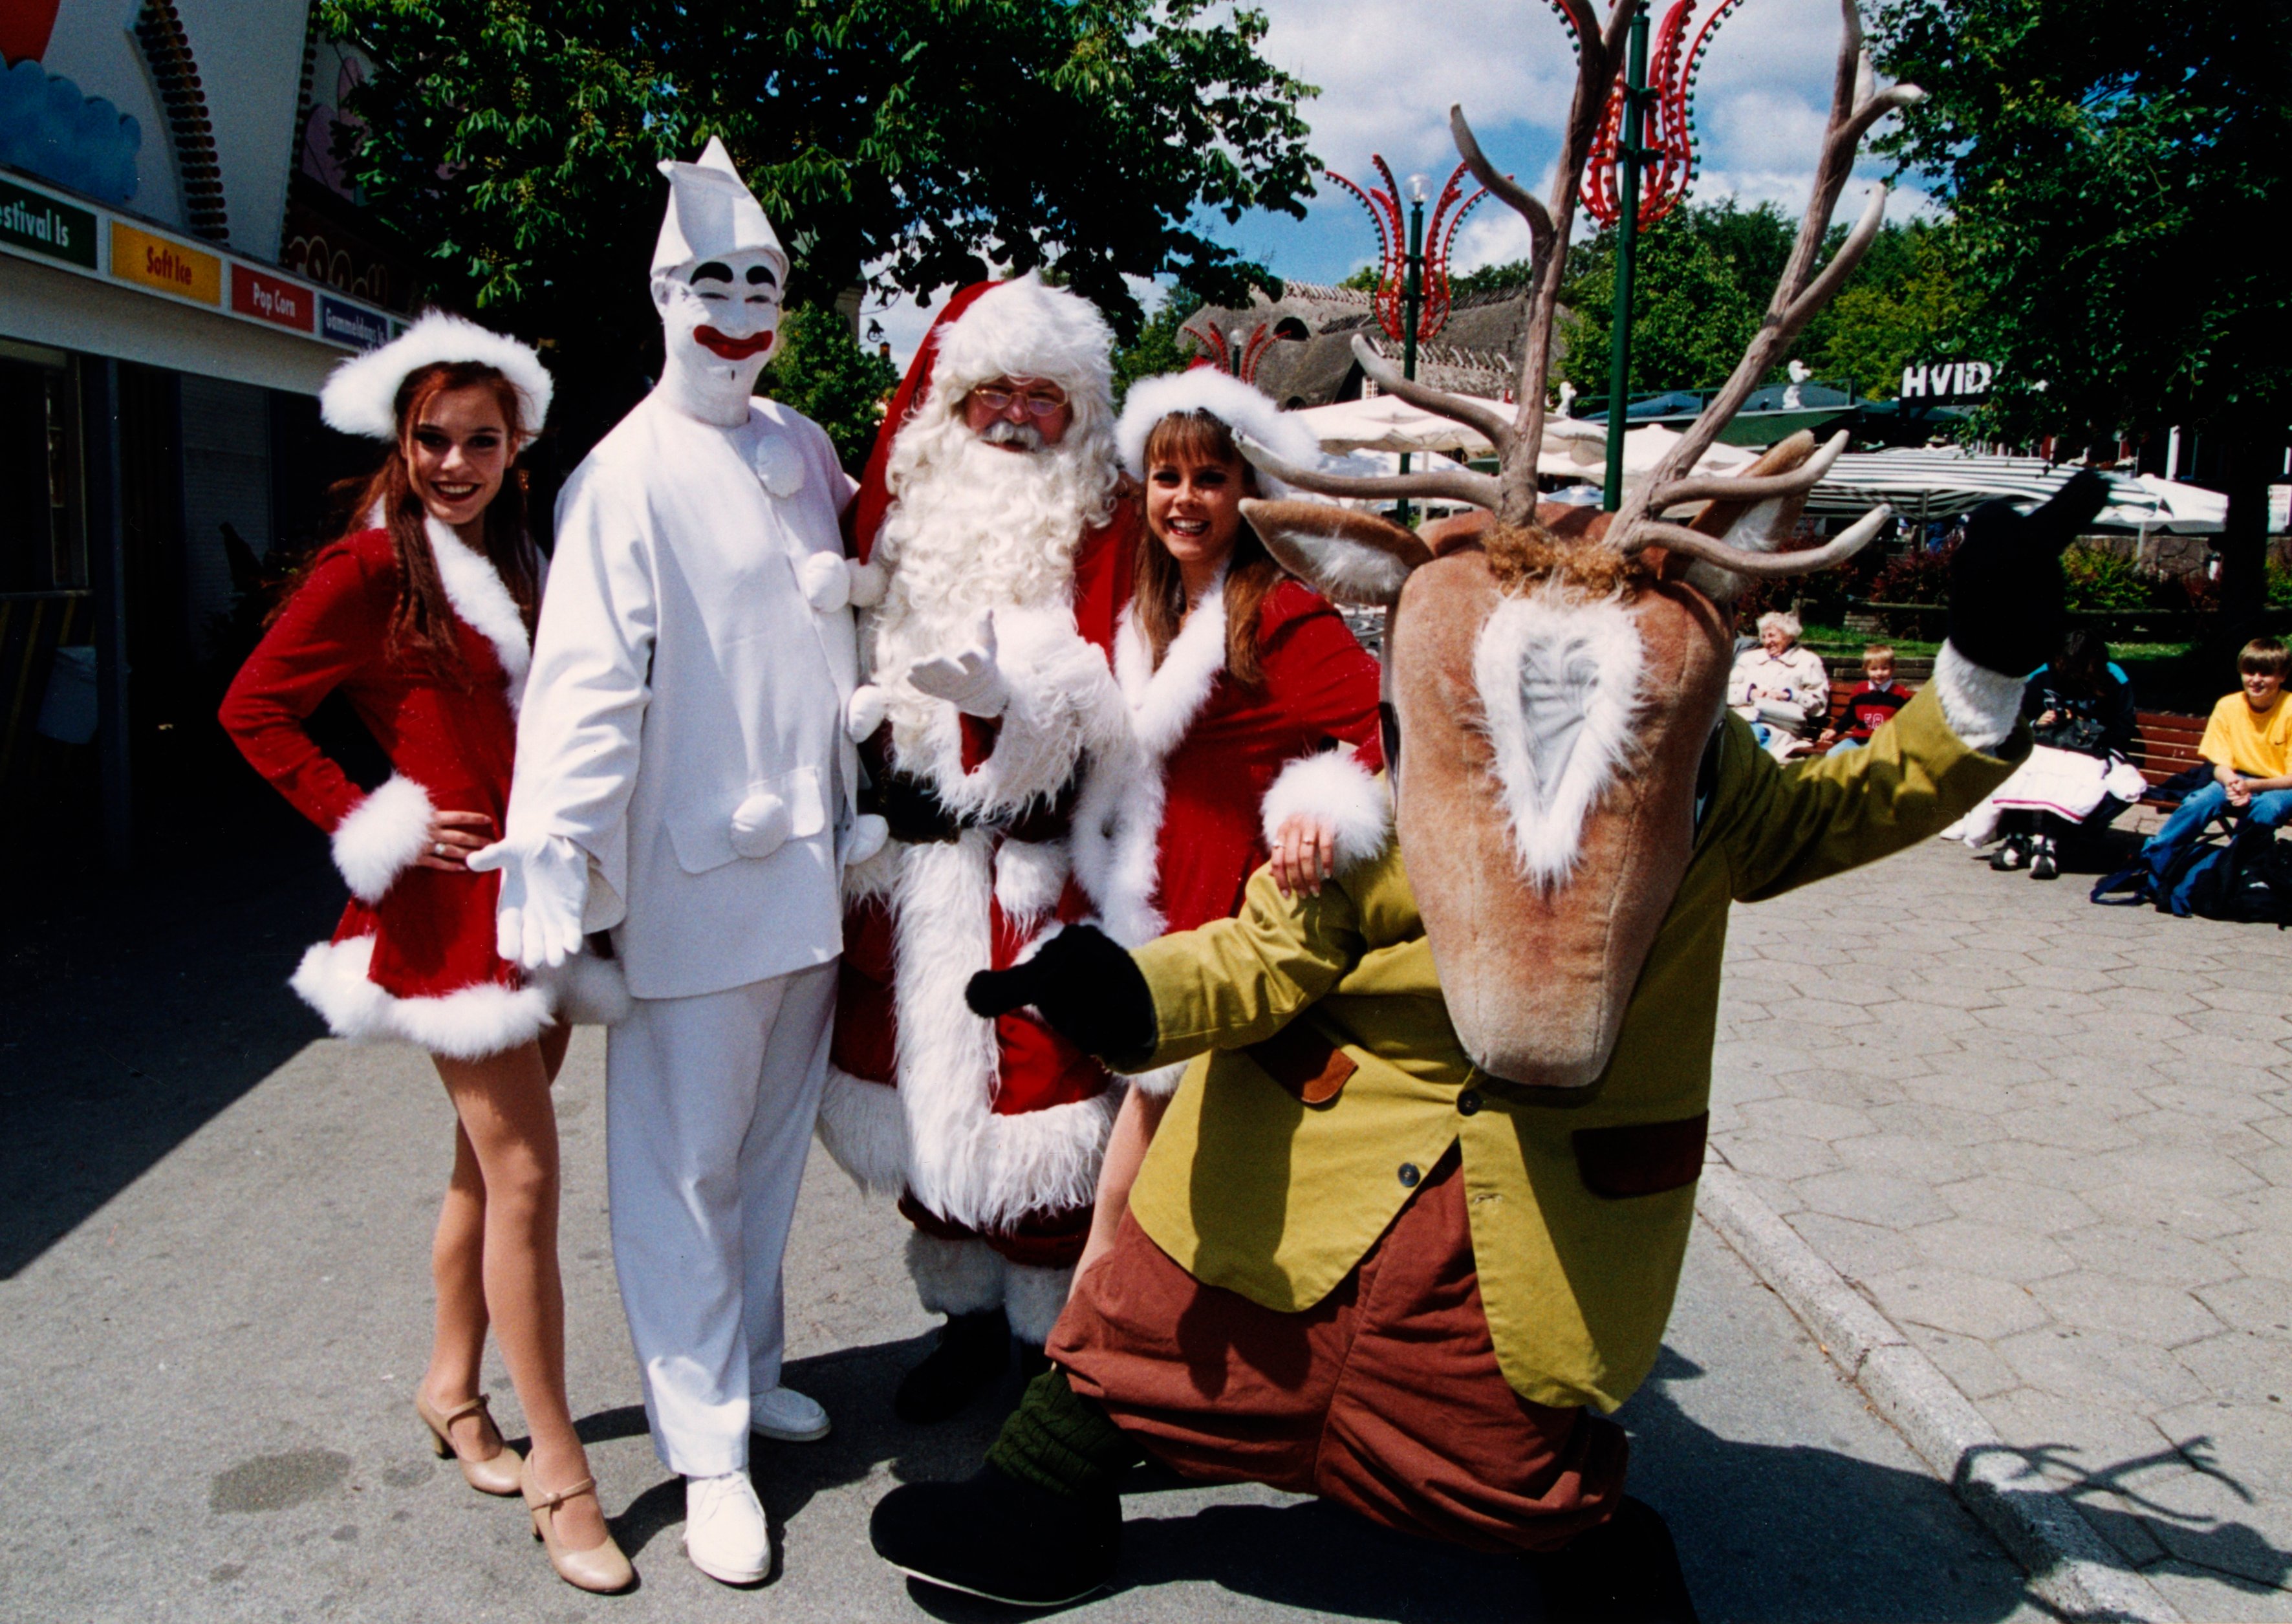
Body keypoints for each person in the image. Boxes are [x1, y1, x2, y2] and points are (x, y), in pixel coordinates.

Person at [862, 473, 2109, 1617]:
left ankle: (1588, 1553)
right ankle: (1039, 1503)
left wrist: (1983, 666)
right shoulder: (1388, 793)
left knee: (1498, 1439)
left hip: (1528, 1197)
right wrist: (1128, 990)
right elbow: (1264, 953)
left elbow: (1873, 795)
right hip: (1314, 1150)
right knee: (1147, 1335)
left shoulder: (1708, 795)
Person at [470, 140, 863, 1586]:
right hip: (697, 889)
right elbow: (582, 691)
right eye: (715, 280)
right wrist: (559, 872)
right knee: (678, 1172)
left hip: (810, 878)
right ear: (662, 294)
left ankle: (748, 1368)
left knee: (761, 1159)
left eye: (764, 284)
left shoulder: (798, 446)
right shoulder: (622, 477)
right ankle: (707, 1452)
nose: (741, 309)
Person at [219, 313, 632, 1593]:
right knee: (524, 1181)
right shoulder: (363, 570)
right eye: (434, 438)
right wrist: (371, 817)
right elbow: (252, 707)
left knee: (481, 1167)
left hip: (535, 904)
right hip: (445, 921)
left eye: (482, 439)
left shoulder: (519, 556)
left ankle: (451, 1387)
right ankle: (561, 1468)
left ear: (517, 448)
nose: (456, 459)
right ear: (401, 441)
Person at [808, 274, 1141, 1426]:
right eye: (991, 392)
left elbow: (1125, 690)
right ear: (950, 403)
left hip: (1036, 868)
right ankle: (958, 1319)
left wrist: (1027, 717)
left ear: (1078, 411)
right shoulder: (901, 508)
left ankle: (1050, 1344)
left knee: (1041, 1093)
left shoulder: (1106, 518)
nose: (1013, 417)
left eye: (1041, 397)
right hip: (904, 867)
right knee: (920, 1088)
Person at [1067, 368, 1387, 1277]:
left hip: (1238, 920)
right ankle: (1103, 1337)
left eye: (1211, 477)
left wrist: (1322, 803)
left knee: (1176, 1175)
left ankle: (1103, 1341)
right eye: (1168, 477)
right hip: (1155, 905)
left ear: (1249, 491)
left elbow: (1388, 728)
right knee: (1154, 1161)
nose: (1186, 499)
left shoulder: (1277, 611)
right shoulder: (1148, 613)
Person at [2138, 636, 2292, 890]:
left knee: (2267, 808)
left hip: (2280, 786)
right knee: (2199, 801)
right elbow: (2219, 764)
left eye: (2266, 673)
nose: (2256, 679)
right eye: (2249, 671)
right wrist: (2232, 782)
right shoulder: (2228, 705)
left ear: (2283, 675)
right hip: (2238, 778)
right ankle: (2155, 857)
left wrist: (2251, 788)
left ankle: (2240, 868)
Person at [1989, 629, 2137, 878]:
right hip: (2047, 746)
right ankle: (2018, 837)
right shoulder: (2043, 674)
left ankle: (2057, 838)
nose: (2065, 671)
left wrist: (2083, 727)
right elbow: (2016, 719)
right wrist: (2037, 721)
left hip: (2092, 751)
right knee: (2021, 768)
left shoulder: (2113, 678)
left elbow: (2123, 728)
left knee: (2083, 778)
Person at [1728, 609, 1828, 759]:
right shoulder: (1748, 658)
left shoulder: (1808, 661)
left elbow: (1818, 705)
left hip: (1781, 725)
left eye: (1772, 635)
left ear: (1788, 636)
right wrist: (1749, 693)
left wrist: (1790, 696)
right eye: (1764, 636)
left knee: (1747, 737)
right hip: (1742, 718)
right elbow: (1727, 690)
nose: (1768, 641)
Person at [1815, 643, 1909, 753]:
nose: (1879, 673)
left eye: (1884, 668)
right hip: (1857, 740)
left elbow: (1907, 722)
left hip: (1883, 742)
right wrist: (1835, 730)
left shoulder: (1900, 694)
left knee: (1868, 758)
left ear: (1893, 668)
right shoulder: (1860, 690)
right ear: (1866, 669)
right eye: (1874, 669)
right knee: (1833, 755)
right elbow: (1850, 716)